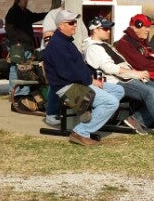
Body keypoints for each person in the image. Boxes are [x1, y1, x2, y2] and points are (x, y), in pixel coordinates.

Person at [83, 16, 154, 143]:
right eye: (105, 28)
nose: (108, 31)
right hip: (116, 81)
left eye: (109, 28)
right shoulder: (92, 48)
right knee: (152, 93)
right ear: (95, 30)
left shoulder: (104, 45)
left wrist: (136, 73)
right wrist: (135, 73)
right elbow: (109, 68)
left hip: (127, 78)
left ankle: (137, 119)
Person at [42, 9, 125, 146]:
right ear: (60, 26)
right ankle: (81, 132)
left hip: (77, 83)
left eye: (75, 22)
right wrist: (90, 80)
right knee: (111, 103)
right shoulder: (57, 45)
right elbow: (68, 73)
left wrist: (91, 79)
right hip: (68, 88)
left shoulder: (66, 42)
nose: (74, 25)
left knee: (118, 90)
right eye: (70, 23)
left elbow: (79, 67)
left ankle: (92, 117)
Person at [40, 0, 88, 126]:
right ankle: (51, 113)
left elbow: (84, 34)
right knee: (58, 81)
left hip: (73, 51)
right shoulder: (53, 14)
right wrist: (55, 52)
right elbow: (48, 34)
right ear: (63, 3)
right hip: (57, 53)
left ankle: (79, 110)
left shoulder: (73, 18)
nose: (74, 24)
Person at [4, 0, 47, 97]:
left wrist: (49, 13)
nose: (26, 0)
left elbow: (35, 16)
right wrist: (16, 42)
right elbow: (9, 28)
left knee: (26, 71)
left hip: (27, 47)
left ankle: (24, 94)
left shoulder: (25, 12)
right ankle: (13, 93)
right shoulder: (13, 11)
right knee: (15, 70)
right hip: (17, 46)